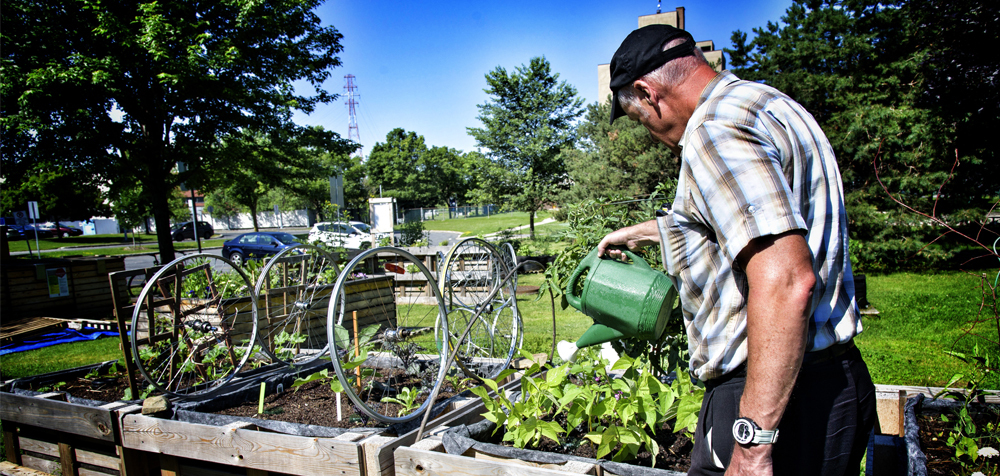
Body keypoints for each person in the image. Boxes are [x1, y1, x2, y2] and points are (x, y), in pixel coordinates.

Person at [596, 25, 876, 476]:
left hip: (774, 399)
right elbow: (760, 220)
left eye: (639, 119)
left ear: (648, 92)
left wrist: (753, 443)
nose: (649, 132)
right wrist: (648, 232)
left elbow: (786, 279)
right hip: (832, 382)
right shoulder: (770, 106)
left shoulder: (714, 132)